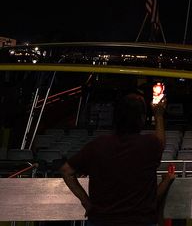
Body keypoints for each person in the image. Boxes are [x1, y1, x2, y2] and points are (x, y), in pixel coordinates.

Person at [61, 90, 170, 225]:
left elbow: (66, 171)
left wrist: (87, 202)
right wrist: (158, 115)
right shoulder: (149, 144)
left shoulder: (97, 145)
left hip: (101, 221)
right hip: (139, 221)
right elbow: (161, 143)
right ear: (142, 118)